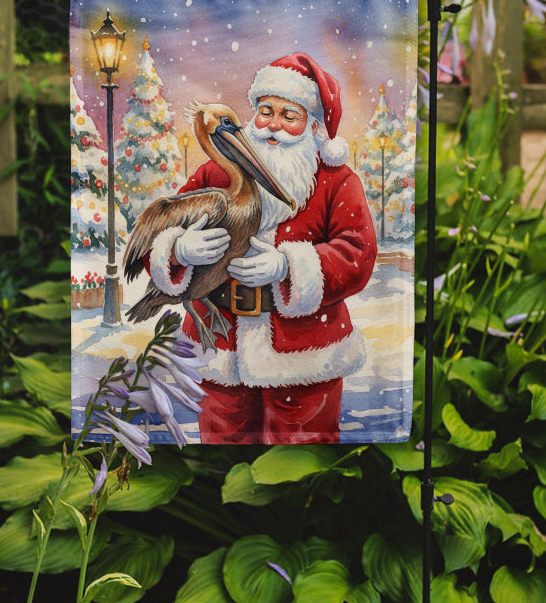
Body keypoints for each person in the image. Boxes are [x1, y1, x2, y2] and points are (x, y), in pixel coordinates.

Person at [149, 52, 376, 444]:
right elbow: (164, 230)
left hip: (305, 352)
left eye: (289, 115)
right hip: (219, 346)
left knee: (303, 452)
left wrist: (290, 266)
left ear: (313, 124)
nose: (273, 125)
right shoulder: (215, 173)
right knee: (220, 448)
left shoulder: (335, 181)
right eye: (266, 111)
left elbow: (357, 252)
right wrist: (179, 250)